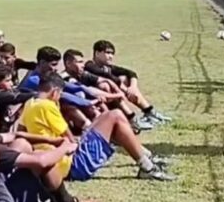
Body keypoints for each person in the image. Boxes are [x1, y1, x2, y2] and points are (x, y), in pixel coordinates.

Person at [0, 93, 101, 202]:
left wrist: (51, 140)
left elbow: (15, 135)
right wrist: (65, 147)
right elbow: (41, 161)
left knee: (21, 143)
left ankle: (57, 201)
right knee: (42, 157)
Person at [20, 73, 175, 182]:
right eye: (60, 95)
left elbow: (21, 130)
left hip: (57, 161)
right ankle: (147, 166)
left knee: (106, 118)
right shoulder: (47, 106)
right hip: (72, 164)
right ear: (55, 92)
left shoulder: (29, 104)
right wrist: (76, 142)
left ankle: (146, 160)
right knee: (115, 115)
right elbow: (67, 135)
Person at [63, 49, 149, 132]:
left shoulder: (81, 74)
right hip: (73, 111)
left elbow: (105, 80)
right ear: (68, 63)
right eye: (79, 62)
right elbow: (88, 91)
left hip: (85, 103)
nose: (83, 65)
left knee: (104, 89)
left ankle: (126, 123)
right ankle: (111, 130)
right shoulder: (66, 78)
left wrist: (117, 91)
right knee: (95, 106)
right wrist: (118, 95)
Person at [86, 40, 171, 126]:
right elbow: (108, 77)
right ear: (97, 53)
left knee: (124, 78)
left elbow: (131, 73)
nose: (111, 56)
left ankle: (149, 112)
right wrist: (126, 90)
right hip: (96, 102)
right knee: (106, 85)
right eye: (107, 53)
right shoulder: (89, 66)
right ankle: (132, 119)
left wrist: (132, 87)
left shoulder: (107, 67)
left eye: (112, 54)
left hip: (111, 100)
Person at [19, 46, 99, 131]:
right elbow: (63, 95)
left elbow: (70, 86)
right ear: (42, 63)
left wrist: (95, 96)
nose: (56, 68)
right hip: (33, 113)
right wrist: (88, 102)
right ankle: (92, 132)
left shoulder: (47, 76)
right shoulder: (34, 80)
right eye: (53, 65)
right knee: (69, 108)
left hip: (45, 108)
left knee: (82, 104)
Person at [0, 63, 37, 133]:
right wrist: (39, 94)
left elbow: (19, 91)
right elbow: (16, 97)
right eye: (8, 81)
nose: (11, 83)